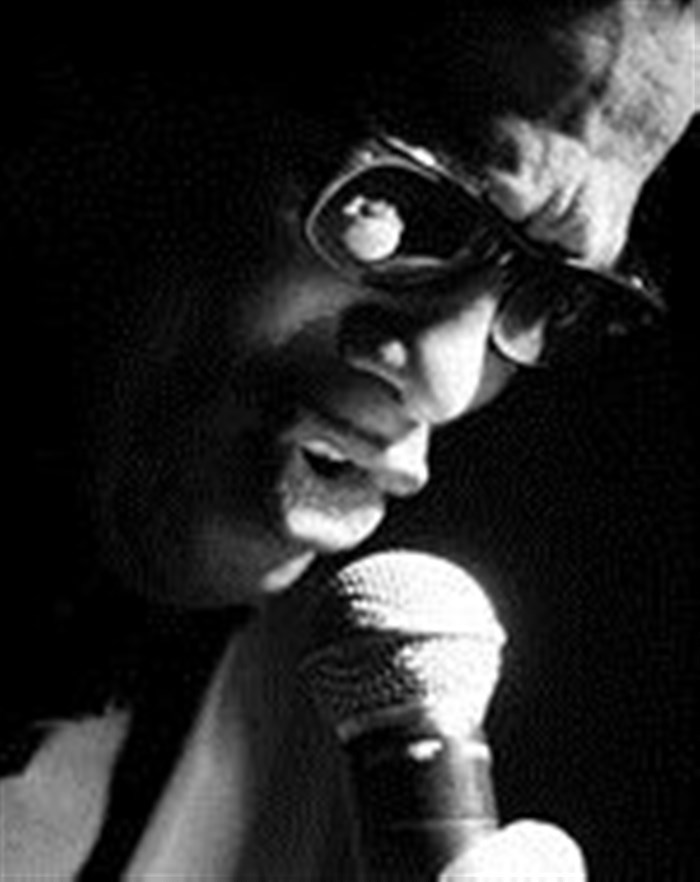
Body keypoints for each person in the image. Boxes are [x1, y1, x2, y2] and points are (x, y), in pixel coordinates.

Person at [2, 1, 696, 877]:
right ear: (108, 104)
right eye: (401, 209)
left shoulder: (291, 738)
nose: (447, 385)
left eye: (551, 294)